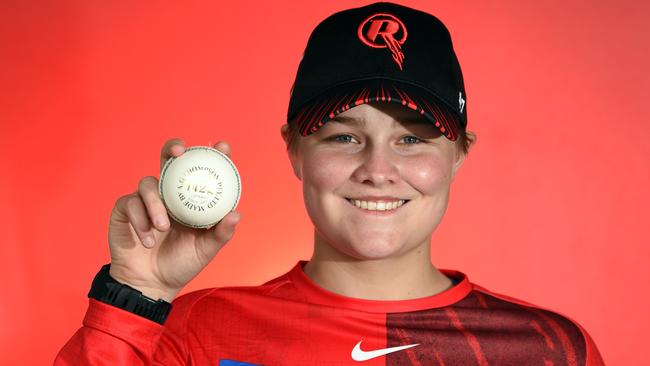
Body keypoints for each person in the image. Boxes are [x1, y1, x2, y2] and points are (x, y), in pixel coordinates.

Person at [55, 2, 605, 365]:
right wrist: (137, 295)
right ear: (293, 149)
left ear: (460, 154)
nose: (377, 167)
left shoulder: (548, 349)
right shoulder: (194, 331)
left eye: (412, 138)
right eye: (342, 137)